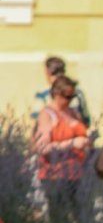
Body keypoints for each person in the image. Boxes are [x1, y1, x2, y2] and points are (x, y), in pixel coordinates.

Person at [31, 75, 90, 213]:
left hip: (77, 173)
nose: (70, 100)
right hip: (56, 175)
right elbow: (42, 148)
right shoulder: (47, 115)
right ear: (56, 94)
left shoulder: (73, 112)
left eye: (72, 96)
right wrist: (72, 143)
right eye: (67, 96)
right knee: (59, 216)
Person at [32, 56, 91, 127]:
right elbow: (86, 118)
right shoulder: (77, 91)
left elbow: (35, 116)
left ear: (48, 72)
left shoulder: (43, 92)